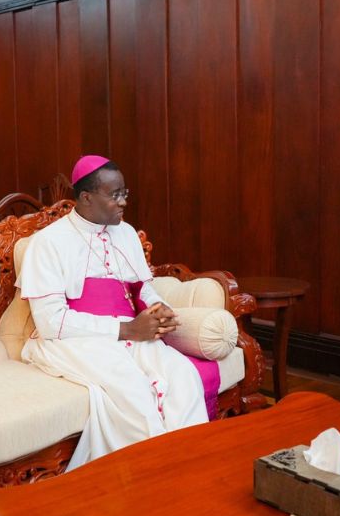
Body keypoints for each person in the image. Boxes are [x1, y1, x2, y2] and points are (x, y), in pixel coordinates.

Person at [18, 155, 208, 468]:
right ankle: (151, 473)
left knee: (182, 375)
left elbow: (141, 288)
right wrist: (125, 330)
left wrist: (159, 308)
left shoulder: (127, 233)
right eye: (115, 195)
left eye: (125, 193)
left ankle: (191, 465)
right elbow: (52, 323)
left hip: (128, 330)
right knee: (132, 390)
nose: (123, 202)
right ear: (86, 198)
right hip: (72, 340)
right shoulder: (48, 242)